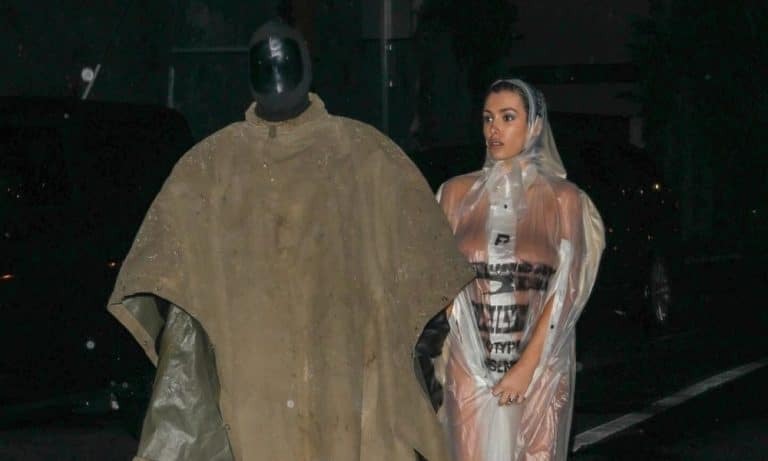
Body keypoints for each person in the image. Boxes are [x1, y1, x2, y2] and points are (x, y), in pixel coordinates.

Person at [106, 19, 474, 461]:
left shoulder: (366, 156)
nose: (276, 74)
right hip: (253, 381)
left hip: (346, 374)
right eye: (265, 63)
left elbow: (428, 276)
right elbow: (165, 283)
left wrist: (411, 366)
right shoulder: (210, 167)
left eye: (284, 61)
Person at [433, 78, 605, 460]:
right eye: (488, 118)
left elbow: (569, 288)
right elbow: (438, 278)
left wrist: (527, 366)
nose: (494, 129)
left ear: (534, 125)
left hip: (540, 365)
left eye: (508, 117)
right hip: (470, 367)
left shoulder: (564, 199)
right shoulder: (456, 194)